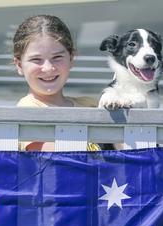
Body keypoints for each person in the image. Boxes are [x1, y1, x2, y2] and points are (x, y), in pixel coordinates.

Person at [12, 14, 100, 151]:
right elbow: (50, 159)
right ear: (19, 65)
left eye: (57, 57)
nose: (48, 68)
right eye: (36, 59)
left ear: (71, 58)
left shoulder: (92, 104)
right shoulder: (28, 108)